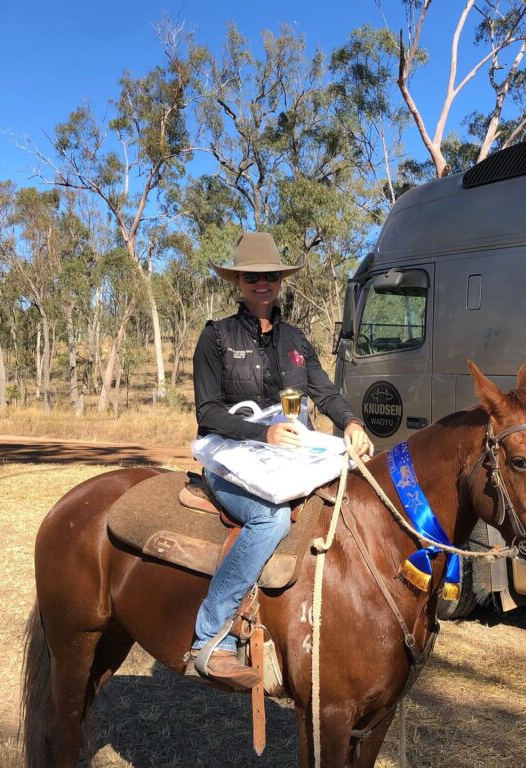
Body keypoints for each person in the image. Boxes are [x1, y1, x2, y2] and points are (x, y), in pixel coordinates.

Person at [191, 231, 373, 687]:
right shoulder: (216, 337)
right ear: (237, 282)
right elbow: (207, 413)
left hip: (287, 456)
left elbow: (324, 393)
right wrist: (264, 432)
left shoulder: (296, 339)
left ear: (280, 281)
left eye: (270, 276)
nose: (262, 283)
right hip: (230, 457)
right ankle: (210, 635)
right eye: (252, 277)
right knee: (270, 519)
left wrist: (351, 422)